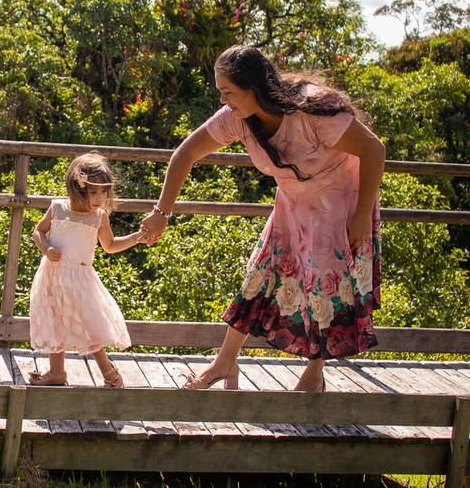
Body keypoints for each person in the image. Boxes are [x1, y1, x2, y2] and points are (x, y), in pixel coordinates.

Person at [141, 45, 385, 392]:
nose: (224, 101)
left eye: (229, 92)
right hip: (293, 204)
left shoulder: (312, 110)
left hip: (339, 205)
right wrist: (161, 212)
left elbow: (374, 149)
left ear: (253, 88)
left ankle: (314, 375)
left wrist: (361, 216)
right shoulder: (236, 118)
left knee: (321, 289)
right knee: (260, 275)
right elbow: (186, 154)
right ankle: (224, 363)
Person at [29, 152, 147, 388]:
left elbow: (110, 245)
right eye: (93, 192)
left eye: (103, 192)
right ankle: (56, 372)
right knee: (55, 319)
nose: (99, 198)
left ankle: (109, 371)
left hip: (80, 278)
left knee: (89, 323)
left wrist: (135, 238)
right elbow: (38, 231)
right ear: (77, 189)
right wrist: (46, 247)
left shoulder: (99, 217)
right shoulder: (58, 208)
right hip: (53, 275)